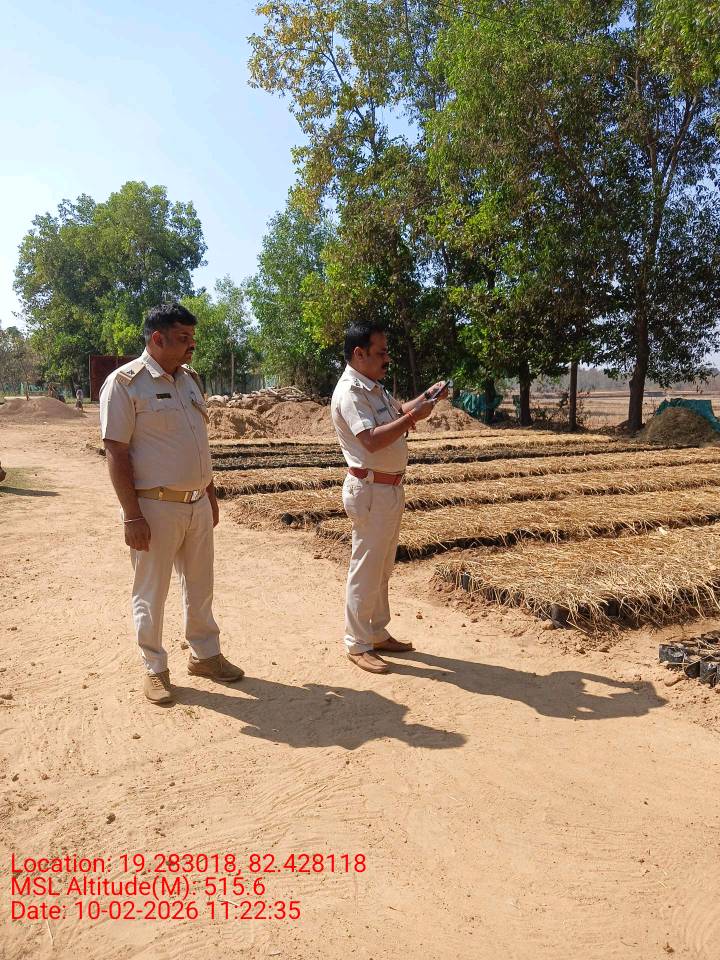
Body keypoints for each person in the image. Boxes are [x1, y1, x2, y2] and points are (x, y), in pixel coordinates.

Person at [99, 302, 243, 705]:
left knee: (200, 585)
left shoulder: (190, 380)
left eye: (192, 338)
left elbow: (199, 444)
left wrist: (209, 494)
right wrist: (132, 516)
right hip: (154, 507)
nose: (191, 345)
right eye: (183, 338)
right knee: (151, 592)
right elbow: (116, 452)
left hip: (196, 503)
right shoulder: (125, 384)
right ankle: (155, 668)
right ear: (157, 339)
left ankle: (205, 656)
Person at [331, 321, 448, 674]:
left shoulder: (373, 387)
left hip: (388, 488)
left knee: (382, 567)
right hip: (370, 490)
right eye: (381, 352)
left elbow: (396, 413)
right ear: (359, 353)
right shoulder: (350, 392)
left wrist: (425, 398)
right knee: (366, 568)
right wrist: (413, 417)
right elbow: (370, 440)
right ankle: (357, 643)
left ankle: (376, 632)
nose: (387, 358)